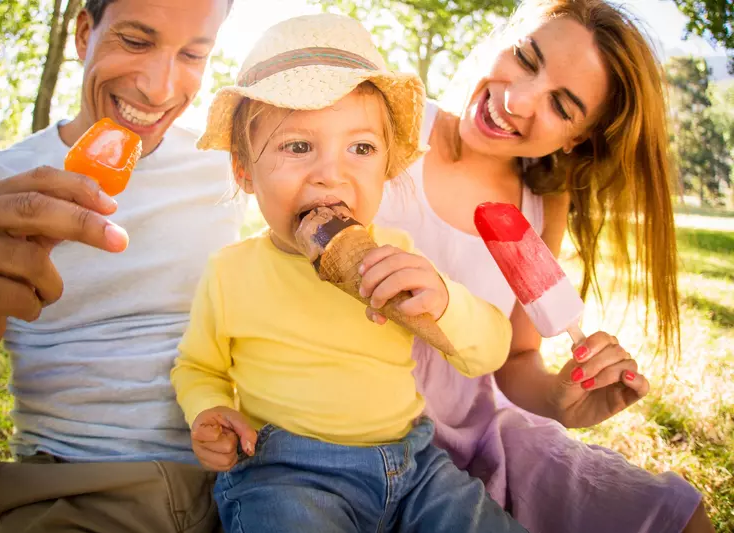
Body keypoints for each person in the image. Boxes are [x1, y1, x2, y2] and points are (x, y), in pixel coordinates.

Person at [171, 14, 527, 533]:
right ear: (245, 172)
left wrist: (445, 300)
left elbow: (489, 351)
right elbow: (196, 367)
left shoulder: (399, 256)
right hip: (285, 472)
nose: (330, 173)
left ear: (385, 167)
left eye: (361, 148)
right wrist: (210, 410)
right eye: (298, 146)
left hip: (414, 468)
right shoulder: (232, 272)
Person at [373, 0, 714, 531]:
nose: (517, 99)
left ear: (577, 137)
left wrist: (557, 398)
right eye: (525, 58)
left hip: (480, 433)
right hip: (358, 417)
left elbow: (516, 357)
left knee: (684, 518)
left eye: (563, 104)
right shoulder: (390, 123)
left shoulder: (541, 203)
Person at [0, 1, 240, 531]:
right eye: (137, 41)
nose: (160, 89)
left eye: (193, 53)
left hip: (239, 474)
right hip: (80, 486)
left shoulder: (227, 169)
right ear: (82, 33)